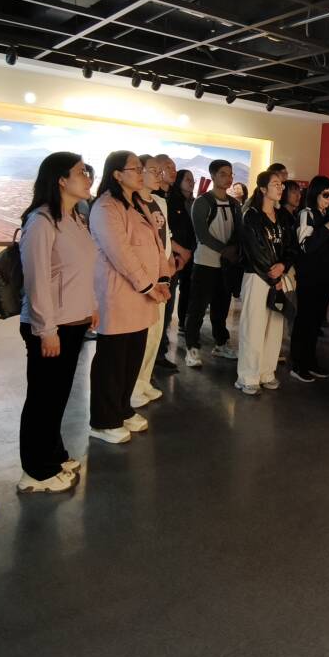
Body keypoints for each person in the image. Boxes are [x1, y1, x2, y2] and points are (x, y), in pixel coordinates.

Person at [17, 152, 97, 493]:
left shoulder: (75, 218)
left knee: (58, 395)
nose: (88, 177)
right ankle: (36, 471)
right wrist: (46, 329)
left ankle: (53, 454)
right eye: (82, 172)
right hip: (51, 326)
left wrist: (91, 306)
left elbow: (82, 270)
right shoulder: (41, 221)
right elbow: (36, 281)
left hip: (74, 321)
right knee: (43, 398)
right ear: (61, 180)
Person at [88, 151, 169, 444]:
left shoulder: (137, 204)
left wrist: (163, 277)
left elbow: (157, 245)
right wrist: (148, 285)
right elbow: (120, 252)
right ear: (117, 174)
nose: (140, 172)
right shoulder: (106, 207)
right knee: (112, 361)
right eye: (135, 168)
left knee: (132, 357)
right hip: (118, 295)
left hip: (142, 295)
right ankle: (103, 421)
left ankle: (122, 409)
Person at [236, 170, 296, 395]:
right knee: (253, 326)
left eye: (281, 185)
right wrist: (273, 274)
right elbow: (254, 250)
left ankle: (266, 372)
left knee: (275, 326)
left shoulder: (283, 217)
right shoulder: (251, 216)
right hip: (257, 276)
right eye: (275, 184)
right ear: (263, 189)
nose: (280, 188)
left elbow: (291, 247)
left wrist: (283, 267)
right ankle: (248, 376)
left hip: (278, 276)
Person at [290, 176, 329, 383]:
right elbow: (305, 245)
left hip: (326, 276)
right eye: (325, 195)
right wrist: (328, 229)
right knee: (305, 320)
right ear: (315, 193)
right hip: (309, 276)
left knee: (316, 322)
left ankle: (310, 361)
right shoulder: (306, 214)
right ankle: (298, 364)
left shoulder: (326, 215)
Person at [185, 159, 241, 367]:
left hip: (226, 265)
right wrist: (225, 250)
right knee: (197, 308)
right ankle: (192, 347)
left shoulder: (235, 204)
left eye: (230, 174)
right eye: (223, 174)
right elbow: (202, 234)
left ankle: (221, 343)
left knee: (221, 307)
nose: (228, 178)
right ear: (213, 176)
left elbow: (239, 230)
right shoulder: (202, 202)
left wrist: (234, 250)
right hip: (205, 263)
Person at [129, 154, 173, 408]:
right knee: (141, 335)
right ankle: (133, 386)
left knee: (156, 332)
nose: (159, 176)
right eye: (153, 171)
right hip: (144, 279)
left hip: (162, 276)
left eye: (160, 171)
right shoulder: (131, 204)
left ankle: (144, 381)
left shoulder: (160, 202)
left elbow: (165, 237)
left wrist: (168, 263)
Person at [151, 154, 189, 372]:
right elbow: (161, 234)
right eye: (167, 167)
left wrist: (183, 254)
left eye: (174, 167)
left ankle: (160, 352)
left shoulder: (173, 197)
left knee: (167, 311)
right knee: (158, 313)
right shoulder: (152, 198)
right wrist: (179, 252)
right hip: (163, 263)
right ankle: (152, 358)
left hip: (176, 262)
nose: (172, 171)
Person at [165, 168, 197, 359]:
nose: (191, 182)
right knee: (168, 300)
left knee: (187, 291)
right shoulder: (171, 201)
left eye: (192, 180)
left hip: (188, 255)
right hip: (175, 256)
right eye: (187, 179)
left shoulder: (192, 202)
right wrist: (181, 253)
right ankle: (161, 346)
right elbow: (169, 232)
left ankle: (181, 326)